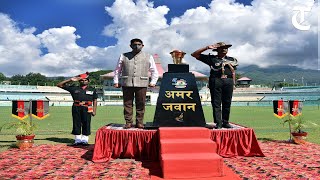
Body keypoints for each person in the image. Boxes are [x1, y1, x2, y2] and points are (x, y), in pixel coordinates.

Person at [113, 38, 159, 129]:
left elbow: (154, 70)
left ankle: (139, 122)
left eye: (139, 44)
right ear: (130, 46)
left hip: (142, 83)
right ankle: (128, 122)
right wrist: (116, 81)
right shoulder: (123, 55)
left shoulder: (148, 56)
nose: (136, 46)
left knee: (141, 104)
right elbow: (117, 70)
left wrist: (153, 82)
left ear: (142, 46)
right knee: (127, 104)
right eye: (134, 44)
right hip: (127, 83)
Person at [191, 42, 238, 129]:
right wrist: (207, 47)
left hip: (228, 81)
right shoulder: (211, 58)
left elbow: (233, 72)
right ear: (217, 50)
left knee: (227, 103)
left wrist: (234, 83)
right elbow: (194, 54)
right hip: (216, 80)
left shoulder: (232, 59)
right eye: (222, 48)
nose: (225, 49)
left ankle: (225, 122)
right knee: (216, 103)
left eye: (226, 48)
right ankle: (218, 123)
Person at [57, 73, 98, 145]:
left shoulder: (92, 89)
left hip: (88, 107)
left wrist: (94, 110)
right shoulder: (74, 88)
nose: (83, 81)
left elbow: (95, 100)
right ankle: (78, 139)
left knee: (87, 122)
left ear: (88, 81)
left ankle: (85, 139)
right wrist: (70, 80)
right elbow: (59, 85)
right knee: (76, 122)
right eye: (82, 80)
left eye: (85, 80)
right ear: (79, 81)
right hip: (76, 106)